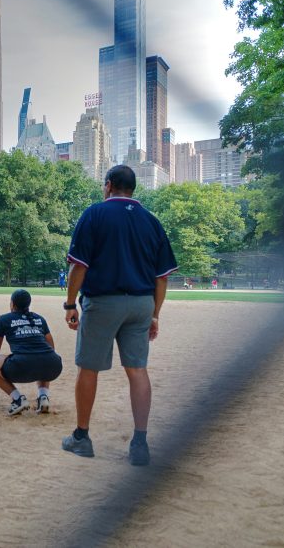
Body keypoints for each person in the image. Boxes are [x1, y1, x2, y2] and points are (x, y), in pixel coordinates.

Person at [61, 165, 177, 465]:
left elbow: (79, 266)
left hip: (104, 301)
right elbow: (162, 277)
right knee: (137, 370)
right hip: (141, 304)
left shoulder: (95, 214)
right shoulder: (151, 221)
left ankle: (82, 437)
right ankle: (139, 443)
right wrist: (155, 314)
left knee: (89, 368)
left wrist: (70, 303)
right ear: (133, 189)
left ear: (109, 185)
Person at [0, 289, 63, 416]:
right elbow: (51, 348)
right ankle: (43, 397)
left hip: (21, 367)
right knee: (42, 357)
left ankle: (18, 399)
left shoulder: (4, 319)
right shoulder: (39, 319)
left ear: (13, 304)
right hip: (54, 366)